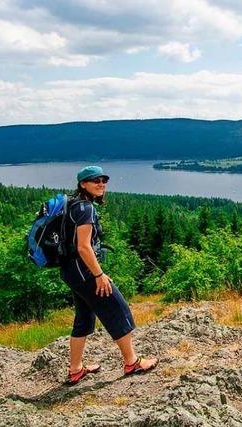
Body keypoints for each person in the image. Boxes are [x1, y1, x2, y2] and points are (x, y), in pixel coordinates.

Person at [60, 165, 158, 385]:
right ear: (83, 184)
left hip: (70, 271)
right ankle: (131, 362)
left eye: (104, 180)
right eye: (95, 180)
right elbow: (84, 247)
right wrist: (99, 274)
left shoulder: (73, 205)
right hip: (84, 271)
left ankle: (75, 369)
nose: (101, 184)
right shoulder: (85, 209)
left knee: (84, 318)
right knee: (118, 308)